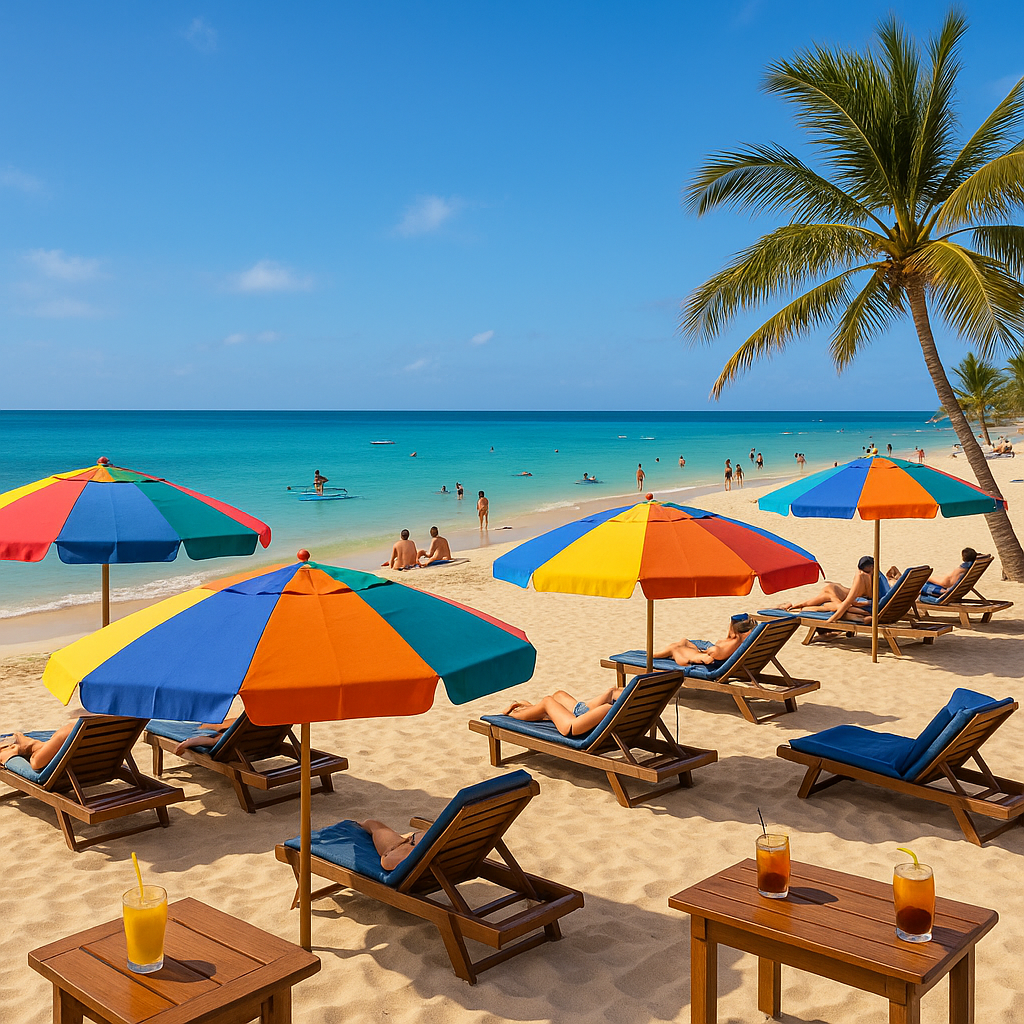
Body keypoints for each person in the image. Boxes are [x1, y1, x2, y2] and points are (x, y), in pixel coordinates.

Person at [778, 556, 895, 623]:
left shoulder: (863, 577)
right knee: (829, 604)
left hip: (862, 604)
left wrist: (831, 619)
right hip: (847, 597)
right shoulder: (878, 577)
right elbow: (849, 602)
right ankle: (794, 608)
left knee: (831, 604)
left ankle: (793, 608)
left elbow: (849, 602)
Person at [501, 685, 627, 737]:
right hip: (582, 719)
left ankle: (513, 713)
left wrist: (610, 693)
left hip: (573, 726)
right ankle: (533, 709)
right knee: (558, 695)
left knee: (547, 701)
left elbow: (590, 712)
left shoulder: (609, 709)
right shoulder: (625, 708)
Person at [653, 613, 755, 667]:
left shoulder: (734, 641)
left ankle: (650, 656)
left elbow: (715, 654)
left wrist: (708, 652)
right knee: (684, 641)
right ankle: (654, 655)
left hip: (695, 659)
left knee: (674, 648)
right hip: (706, 656)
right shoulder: (743, 639)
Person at [891, 547, 979, 597]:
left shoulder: (962, 570)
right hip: (944, 582)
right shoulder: (968, 567)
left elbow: (947, 584)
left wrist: (945, 590)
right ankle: (900, 578)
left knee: (921, 580)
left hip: (943, 584)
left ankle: (899, 580)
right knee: (921, 579)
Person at [0, 718, 83, 770]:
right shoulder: (83, 725)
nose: (21, 735)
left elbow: (37, 763)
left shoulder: (36, 760)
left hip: (74, 767)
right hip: (87, 765)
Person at [358, 818, 428, 871]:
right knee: (372, 824)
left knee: (372, 824)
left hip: (403, 847)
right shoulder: (436, 836)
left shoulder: (404, 856)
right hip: (412, 842)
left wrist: (388, 852)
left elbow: (388, 863)